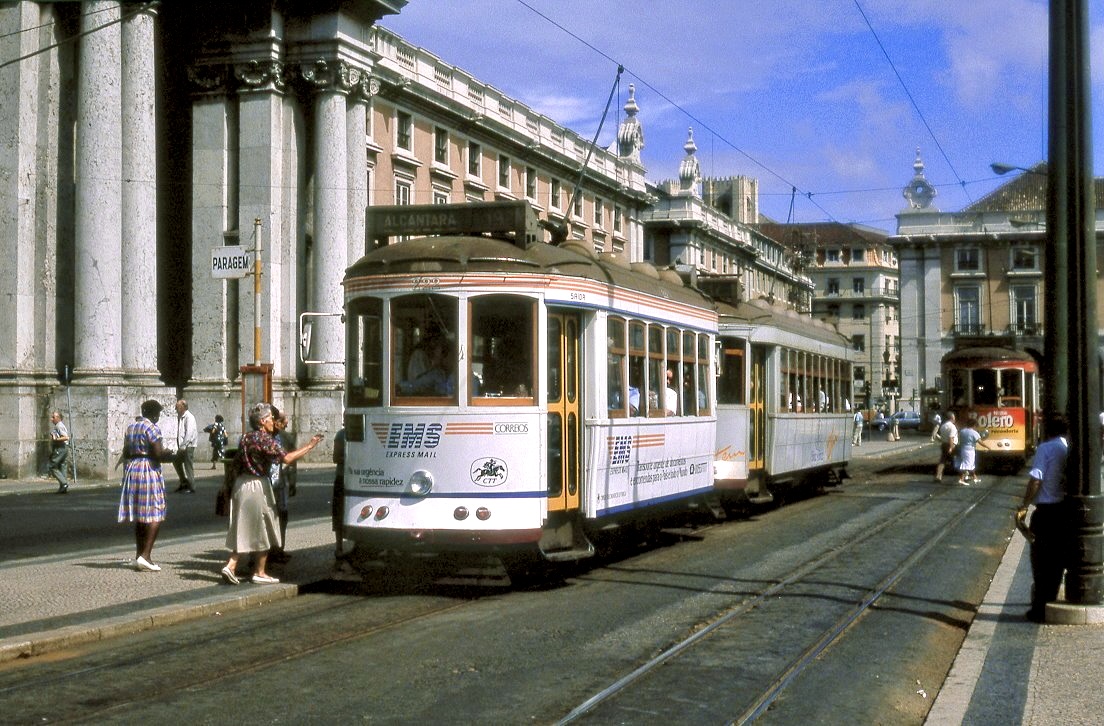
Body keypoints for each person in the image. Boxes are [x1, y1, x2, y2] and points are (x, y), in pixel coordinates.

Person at [220, 402, 323, 586]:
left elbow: (235, 464)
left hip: (241, 484)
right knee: (266, 526)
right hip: (257, 484)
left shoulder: (246, 438)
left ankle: (231, 565)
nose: (273, 422)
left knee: (243, 525)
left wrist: (228, 489)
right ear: (262, 421)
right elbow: (287, 458)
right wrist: (310, 446)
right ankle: (259, 572)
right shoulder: (265, 439)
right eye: (270, 419)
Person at [1019, 415, 1071, 623]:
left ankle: (1040, 608)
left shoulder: (1046, 448)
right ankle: (1048, 602)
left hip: (1046, 512)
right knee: (1057, 561)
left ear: (1046, 430)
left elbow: (1036, 480)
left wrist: (1024, 506)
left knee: (1041, 563)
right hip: (1064, 511)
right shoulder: (1067, 448)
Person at [117, 400, 171, 572]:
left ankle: (138, 555)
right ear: (155, 414)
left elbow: (126, 451)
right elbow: (157, 454)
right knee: (156, 511)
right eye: (158, 414)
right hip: (148, 469)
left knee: (140, 514)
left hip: (133, 469)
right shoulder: (152, 428)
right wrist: (169, 454)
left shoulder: (131, 428)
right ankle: (146, 555)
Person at [268, 407, 297, 563]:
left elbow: (291, 462)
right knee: (272, 516)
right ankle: (268, 551)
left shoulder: (286, 437)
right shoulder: (261, 437)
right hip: (269, 483)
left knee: (282, 514)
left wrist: (292, 481)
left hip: (281, 481)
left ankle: (279, 548)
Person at [172, 399, 197, 493]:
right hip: (183, 445)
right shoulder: (182, 417)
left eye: (177, 407)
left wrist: (183, 446)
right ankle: (183, 482)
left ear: (183, 407)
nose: (175, 408)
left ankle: (191, 486)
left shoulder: (189, 417)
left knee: (188, 465)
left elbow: (189, 433)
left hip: (188, 445)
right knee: (176, 460)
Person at [955, 417, 986, 485]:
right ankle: (961, 479)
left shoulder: (962, 431)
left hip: (963, 449)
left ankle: (975, 478)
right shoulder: (974, 433)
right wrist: (987, 447)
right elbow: (980, 442)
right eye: (976, 426)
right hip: (970, 450)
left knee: (971, 464)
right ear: (974, 425)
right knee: (966, 465)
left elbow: (959, 439)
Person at [332, 427, 347, 560]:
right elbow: (336, 457)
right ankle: (339, 546)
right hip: (343, 478)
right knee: (339, 512)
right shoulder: (341, 435)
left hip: (358, 478)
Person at [48, 411, 70, 494]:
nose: (51, 419)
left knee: (52, 466)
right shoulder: (59, 426)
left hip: (60, 448)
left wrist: (55, 439)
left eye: (53, 417)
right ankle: (63, 487)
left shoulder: (59, 426)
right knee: (62, 465)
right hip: (64, 448)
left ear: (58, 418)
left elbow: (66, 437)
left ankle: (64, 483)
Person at [933, 411, 958, 483]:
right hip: (951, 445)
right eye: (954, 417)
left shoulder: (943, 426)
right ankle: (963, 476)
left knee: (942, 461)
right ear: (952, 418)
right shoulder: (952, 427)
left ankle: (938, 476)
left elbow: (941, 437)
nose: (955, 419)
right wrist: (951, 447)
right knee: (958, 460)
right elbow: (951, 438)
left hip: (943, 444)